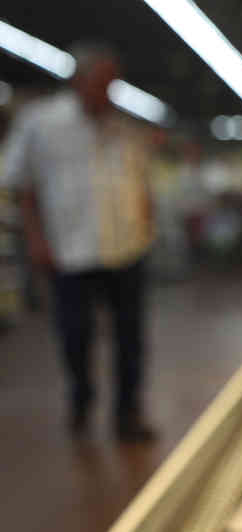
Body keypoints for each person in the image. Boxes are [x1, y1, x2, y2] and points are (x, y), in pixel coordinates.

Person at [1, 43, 157, 442]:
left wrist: (146, 227)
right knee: (76, 335)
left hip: (127, 249)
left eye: (112, 85)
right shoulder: (41, 124)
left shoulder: (125, 129)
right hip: (70, 252)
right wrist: (36, 239)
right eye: (100, 84)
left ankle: (127, 413)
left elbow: (142, 184)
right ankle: (82, 398)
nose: (107, 93)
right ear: (78, 81)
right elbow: (22, 186)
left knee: (130, 338)